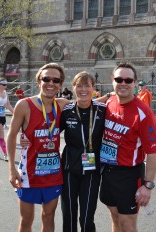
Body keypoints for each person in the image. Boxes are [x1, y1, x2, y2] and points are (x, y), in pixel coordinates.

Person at [7, 63, 68, 232]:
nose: (51, 83)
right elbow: (11, 135)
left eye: (56, 80)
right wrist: (12, 169)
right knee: (26, 219)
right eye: (46, 78)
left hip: (53, 174)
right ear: (39, 81)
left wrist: (112, 94)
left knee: (48, 217)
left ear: (60, 84)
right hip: (29, 174)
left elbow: (88, 104)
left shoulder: (63, 105)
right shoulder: (24, 105)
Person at [99, 62, 156, 232]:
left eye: (128, 80)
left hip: (129, 175)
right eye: (119, 79)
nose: (123, 83)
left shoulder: (144, 113)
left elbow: (153, 152)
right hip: (108, 171)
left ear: (135, 82)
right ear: (112, 81)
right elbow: (82, 105)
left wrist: (147, 185)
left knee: (127, 223)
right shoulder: (108, 102)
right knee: (114, 216)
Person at [60, 72, 106, 232]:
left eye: (87, 85)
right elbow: (48, 133)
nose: (83, 89)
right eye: (79, 85)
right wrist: (26, 137)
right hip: (69, 170)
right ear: (73, 88)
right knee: (69, 214)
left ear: (94, 88)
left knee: (87, 216)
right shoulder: (66, 111)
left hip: (92, 170)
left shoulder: (103, 110)